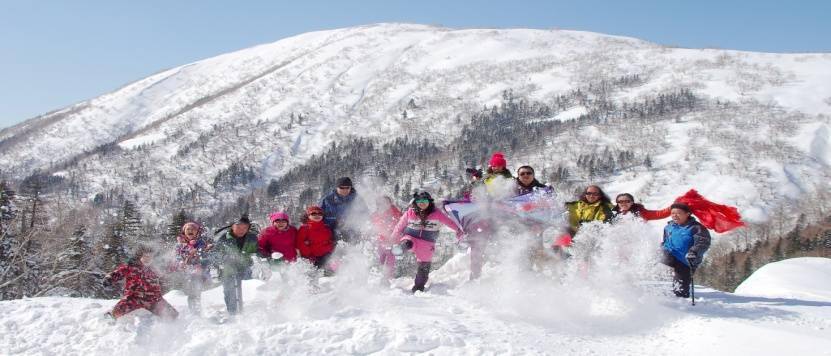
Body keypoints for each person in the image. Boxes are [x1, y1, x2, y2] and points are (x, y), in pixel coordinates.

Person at [391, 191, 464, 293]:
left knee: (424, 266)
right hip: (411, 237)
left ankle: (419, 286)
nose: (422, 203)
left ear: (429, 202)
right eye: (419, 201)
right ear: (416, 202)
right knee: (407, 242)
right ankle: (400, 249)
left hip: (426, 242)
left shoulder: (436, 213)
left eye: (424, 201)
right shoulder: (410, 212)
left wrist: (459, 230)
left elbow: (449, 222)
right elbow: (399, 226)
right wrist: (393, 238)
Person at [104, 246, 178, 321]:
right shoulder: (131, 267)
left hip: (153, 299)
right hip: (133, 297)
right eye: (145, 256)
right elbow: (118, 273)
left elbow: (170, 268)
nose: (147, 259)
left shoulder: (156, 268)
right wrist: (109, 279)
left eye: (150, 257)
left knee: (172, 316)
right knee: (118, 311)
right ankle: (109, 322)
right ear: (140, 257)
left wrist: (177, 264)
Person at [661, 203, 711, 298]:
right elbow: (665, 241)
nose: (675, 215)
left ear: (687, 214)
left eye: (678, 213)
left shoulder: (696, 228)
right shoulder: (668, 227)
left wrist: (694, 252)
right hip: (670, 255)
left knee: (680, 291)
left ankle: (683, 304)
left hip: (687, 260)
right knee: (651, 254)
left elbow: (703, 242)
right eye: (672, 213)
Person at [214, 215, 258, 315]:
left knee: (248, 291)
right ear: (232, 226)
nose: (241, 230)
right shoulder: (223, 239)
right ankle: (233, 314)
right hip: (228, 270)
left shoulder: (252, 238)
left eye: (245, 228)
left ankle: (248, 314)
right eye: (238, 227)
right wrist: (224, 259)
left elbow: (258, 251)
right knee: (230, 292)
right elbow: (214, 255)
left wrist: (256, 258)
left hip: (247, 268)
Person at [175, 221, 213, 314]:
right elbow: (177, 257)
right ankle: (195, 312)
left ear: (197, 232)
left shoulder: (202, 243)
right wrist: (181, 262)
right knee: (193, 291)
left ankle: (197, 311)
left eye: (193, 229)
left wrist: (203, 252)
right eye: (188, 229)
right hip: (188, 273)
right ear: (184, 232)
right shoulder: (180, 245)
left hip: (201, 273)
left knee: (196, 290)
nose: (190, 231)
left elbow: (207, 258)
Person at [320, 177, 369, 243]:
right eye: (341, 188)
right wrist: (335, 221)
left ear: (350, 188)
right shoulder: (328, 200)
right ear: (337, 187)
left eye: (347, 188)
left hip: (353, 232)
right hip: (332, 231)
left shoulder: (357, 199)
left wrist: (353, 220)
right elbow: (320, 217)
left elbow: (365, 213)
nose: (345, 190)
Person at [370, 196, 403, 279]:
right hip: (380, 241)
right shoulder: (375, 215)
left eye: (386, 203)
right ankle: (380, 275)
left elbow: (401, 224)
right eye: (381, 203)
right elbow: (372, 227)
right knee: (380, 258)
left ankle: (387, 277)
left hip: (392, 241)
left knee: (390, 259)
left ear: (390, 203)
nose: (383, 205)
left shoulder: (395, 212)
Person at [296, 205, 335, 271]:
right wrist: (309, 255)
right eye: (313, 213)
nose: (317, 215)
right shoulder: (304, 228)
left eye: (320, 213)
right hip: (311, 257)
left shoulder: (326, 228)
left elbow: (330, 241)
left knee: (333, 269)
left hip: (325, 255)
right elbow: (300, 243)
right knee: (315, 273)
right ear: (308, 216)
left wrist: (329, 250)